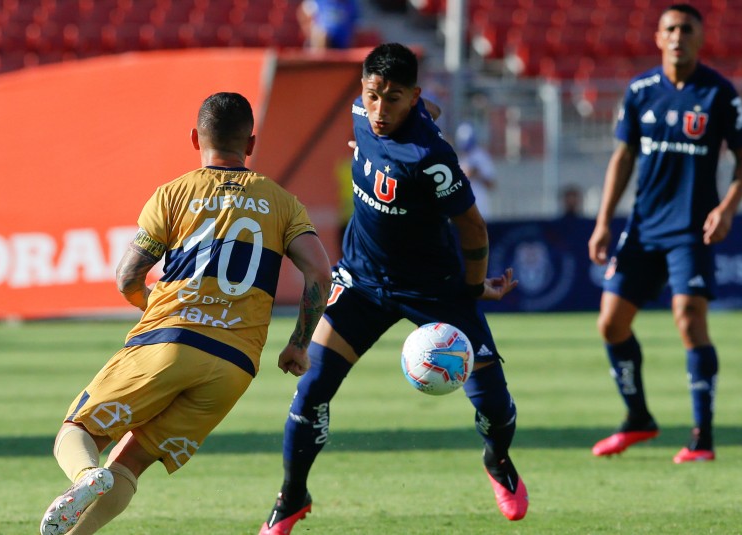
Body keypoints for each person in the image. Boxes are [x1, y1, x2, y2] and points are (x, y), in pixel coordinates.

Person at [259, 43, 527, 535]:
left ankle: (498, 460)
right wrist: (411, 114)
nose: (380, 110)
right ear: (364, 89)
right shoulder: (362, 111)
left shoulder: (431, 158)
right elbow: (424, 109)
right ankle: (292, 495)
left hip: (435, 290)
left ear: (414, 96)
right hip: (362, 280)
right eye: (374, 94)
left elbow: (474, 228)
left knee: (493, 403)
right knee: (312, 388)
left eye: (395, 99)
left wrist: (471, 288)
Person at [38, 92, 332, 535]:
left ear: (196, 138)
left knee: (77, 433)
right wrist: (298, 344)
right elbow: (319, 272)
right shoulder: (283, 203)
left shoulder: (173, 194)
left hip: (169, 341)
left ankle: (84, 476)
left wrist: (148, 306)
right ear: (250, 144)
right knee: (132, 464)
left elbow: (127, 276)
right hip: (234, 366)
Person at [587, 4, 742, 464]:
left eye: (686, 29)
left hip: (691, 230)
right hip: (643, 229)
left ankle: (702, 439)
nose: (678, 36)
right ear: (658, 38)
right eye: (670, 29)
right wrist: (603, 222)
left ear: (701, 38)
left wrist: (727, 208)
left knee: (688, 319)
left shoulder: (718, 93)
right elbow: (622, 159)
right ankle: (638, 418)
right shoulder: (640, 90)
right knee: (611, 323)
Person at [454, 121, 497, 220]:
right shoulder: (455, 157)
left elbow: (492, 184)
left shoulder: (481, 156)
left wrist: (477, 174)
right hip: (462, 210)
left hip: (481, 209)